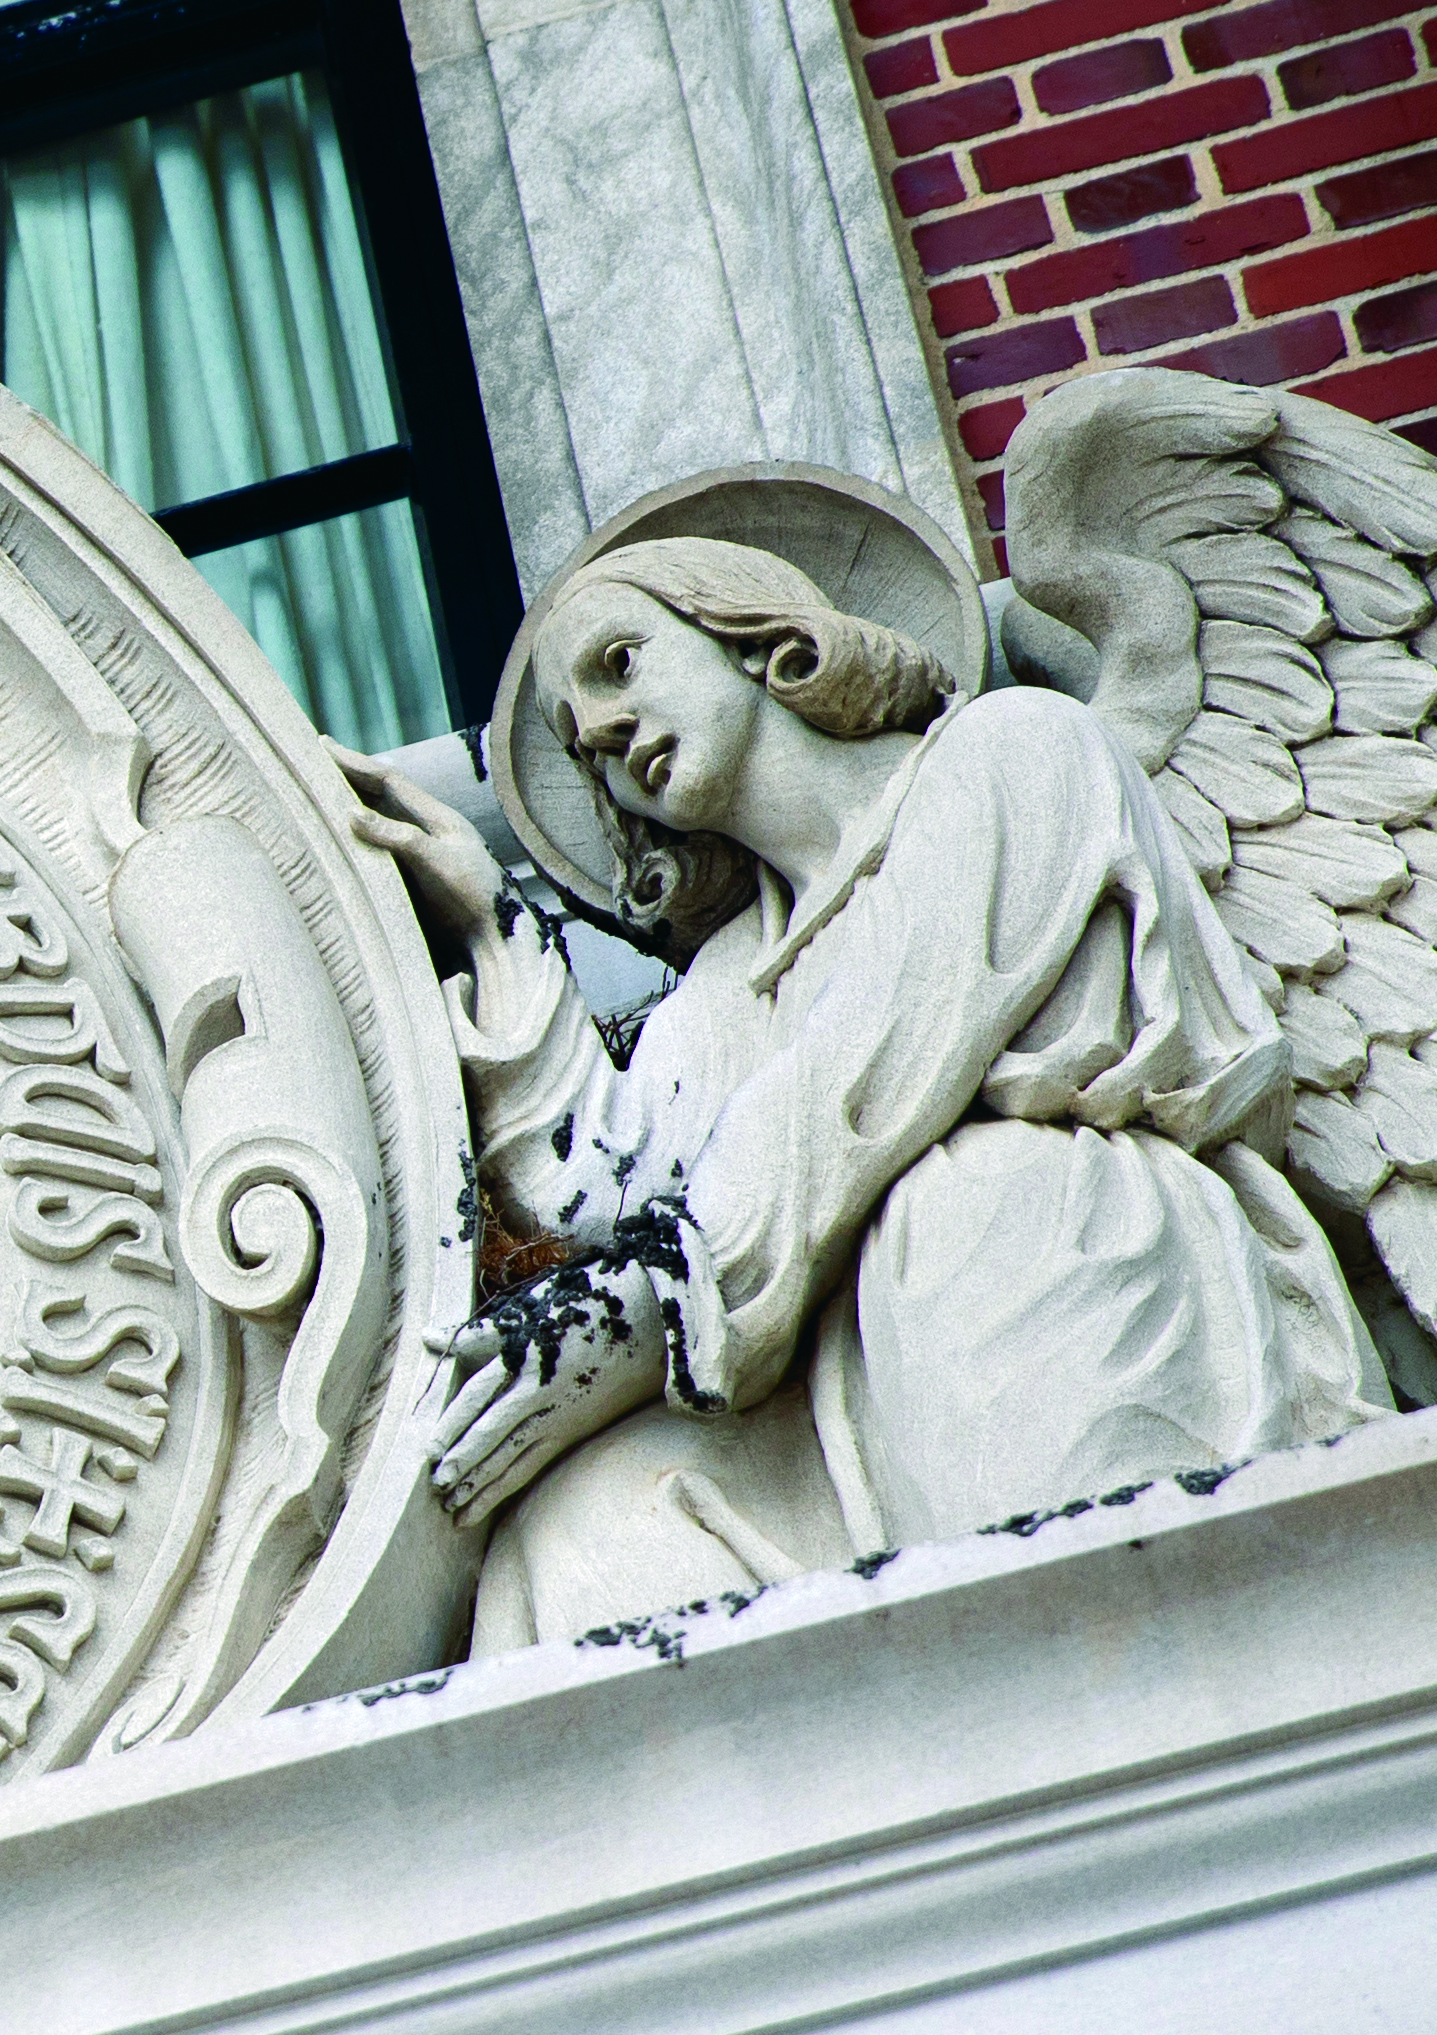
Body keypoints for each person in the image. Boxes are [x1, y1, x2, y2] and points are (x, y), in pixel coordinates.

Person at [410, 533, 1383, 1651]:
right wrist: (488, 922)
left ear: (750, 631)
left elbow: (882, 1053)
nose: (607, 730)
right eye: (584, 744)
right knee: (582, 1531)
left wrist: (667, 1298)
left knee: (961, 1206)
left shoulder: (1011, 754)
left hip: (1055, 1257)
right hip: (847, 1379)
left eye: (619, 664)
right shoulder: (736, 977)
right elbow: (600, 1189)